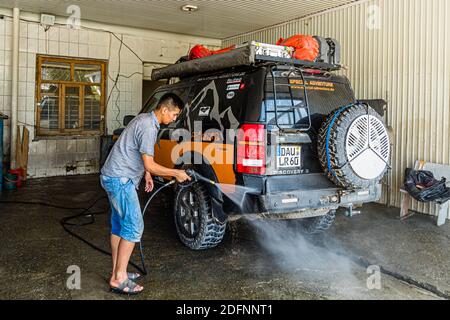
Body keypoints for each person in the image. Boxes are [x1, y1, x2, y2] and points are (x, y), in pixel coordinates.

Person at [100, 93, 191, 295]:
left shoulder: (143, 119)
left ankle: (117, 270)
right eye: (175, 114)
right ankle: (119, 279)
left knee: (120, 225)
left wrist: (147, 173)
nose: (175, 119)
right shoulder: (149, 126)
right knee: (134, 226)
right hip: (120, 180)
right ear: (164, 109)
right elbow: (149, 161)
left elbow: (139, 154)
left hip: (113, 176)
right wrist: (176, 172)